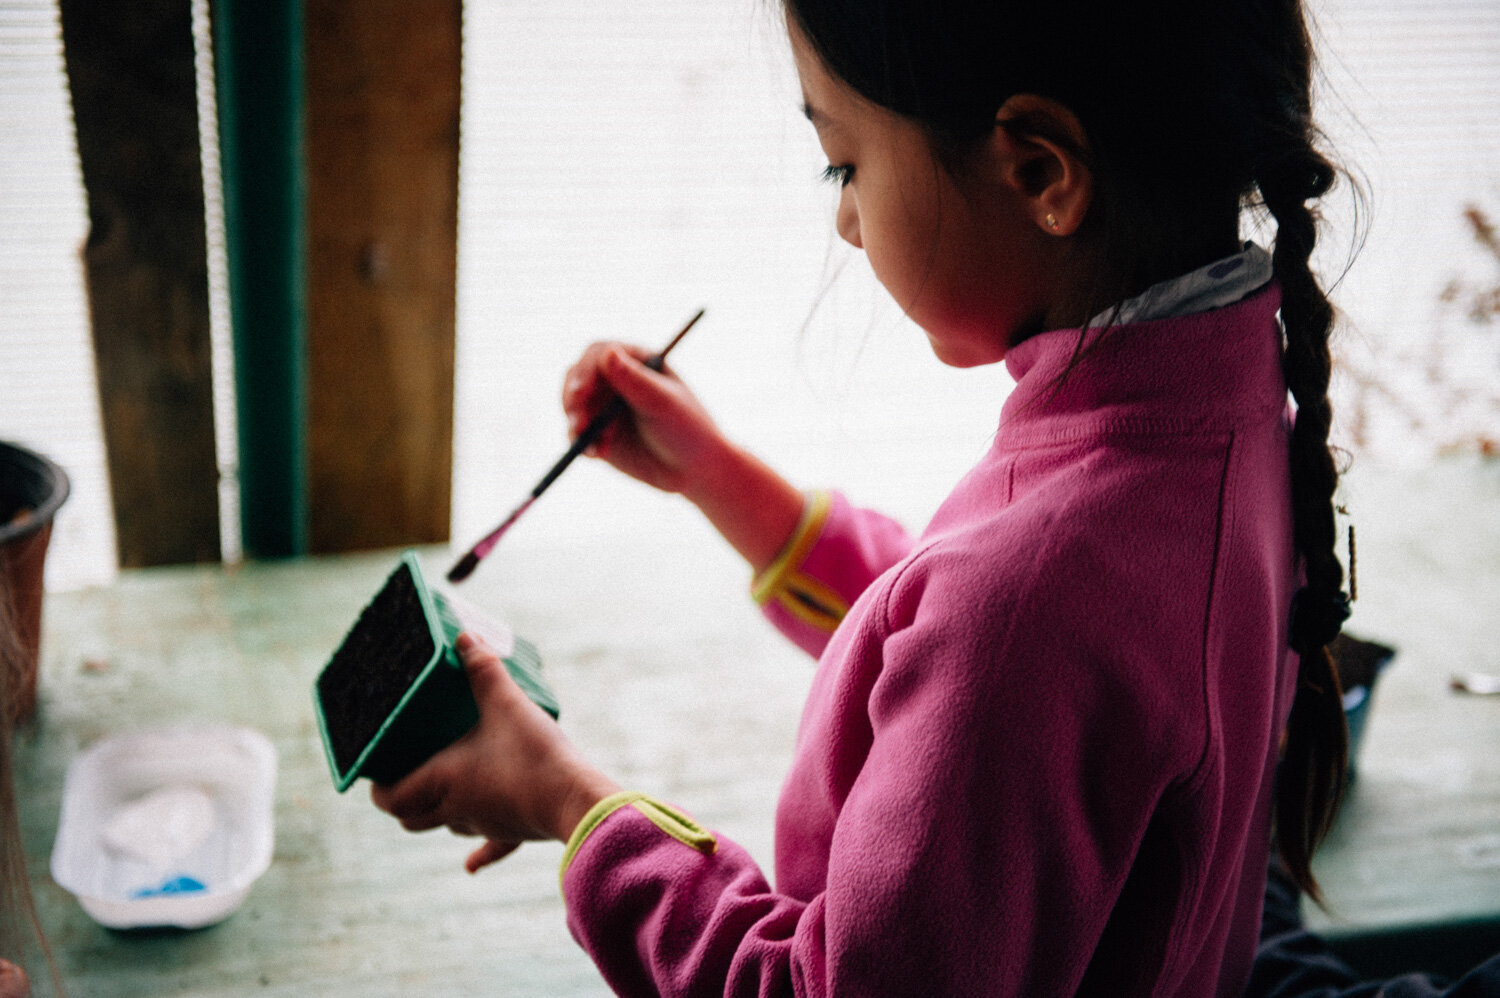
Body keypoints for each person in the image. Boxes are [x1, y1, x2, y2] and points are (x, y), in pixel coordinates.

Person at [373, 0, 1358, 992]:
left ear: (1040, 174)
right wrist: (720, 479)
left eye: (845, 164)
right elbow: (995, 667)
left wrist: (567, 800)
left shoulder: (1035, 595)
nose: (845, 220)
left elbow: (999, 650)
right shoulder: (1225, 420)